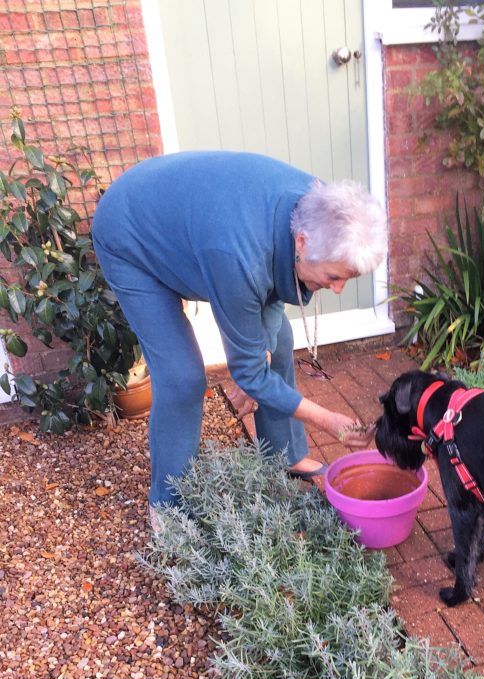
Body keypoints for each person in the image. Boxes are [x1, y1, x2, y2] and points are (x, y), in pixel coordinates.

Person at [91, 151, 387, 528]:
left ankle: (284, 453)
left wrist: (261, 354)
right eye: (333, 276)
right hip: (131, 236)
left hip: (188, 216)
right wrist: (327, 419)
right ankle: (168, 506)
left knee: (277, 338)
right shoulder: (238, 256)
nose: (339, 289)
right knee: (182, 378)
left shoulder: (321, 207)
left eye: (348, 278)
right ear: (302, 243)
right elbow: (246, 370)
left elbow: (277, 286)